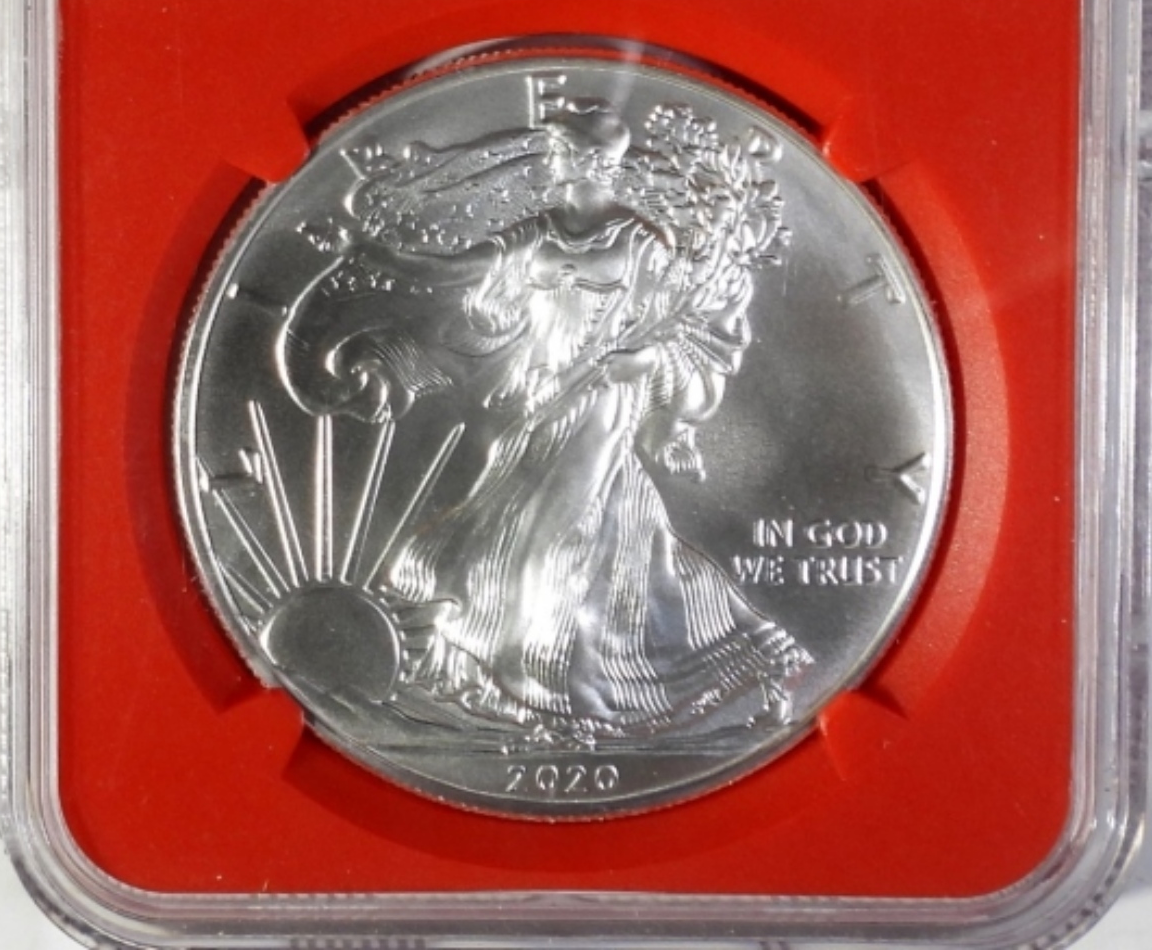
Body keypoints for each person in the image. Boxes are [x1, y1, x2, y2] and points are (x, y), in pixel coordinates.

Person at [278, 97, 809, 741]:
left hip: (600, 404)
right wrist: (372, 251)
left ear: (592, 161)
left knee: (549, 542)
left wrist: (638, 361)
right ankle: (717, 655)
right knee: (500, 533)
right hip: (540, 403)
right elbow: (454, 272)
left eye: (560, 151)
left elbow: (680, 329)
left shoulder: (642, 243)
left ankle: (547, 686)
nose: (550, 160)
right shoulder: (537, 231)